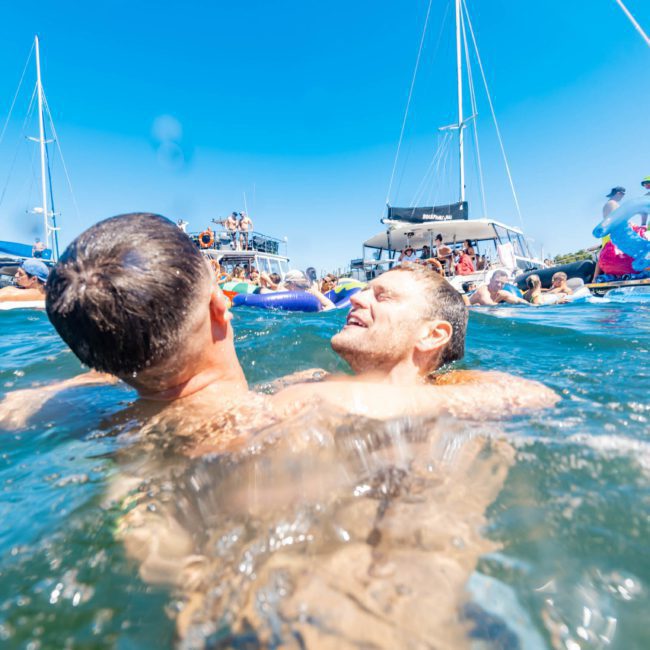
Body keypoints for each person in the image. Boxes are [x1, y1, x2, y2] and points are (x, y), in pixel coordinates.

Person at [1, 214, 555, 434]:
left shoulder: (80, 400)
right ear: (223, 309)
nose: (360, 295)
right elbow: (537, 398)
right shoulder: (301, 408)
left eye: (382, 294)